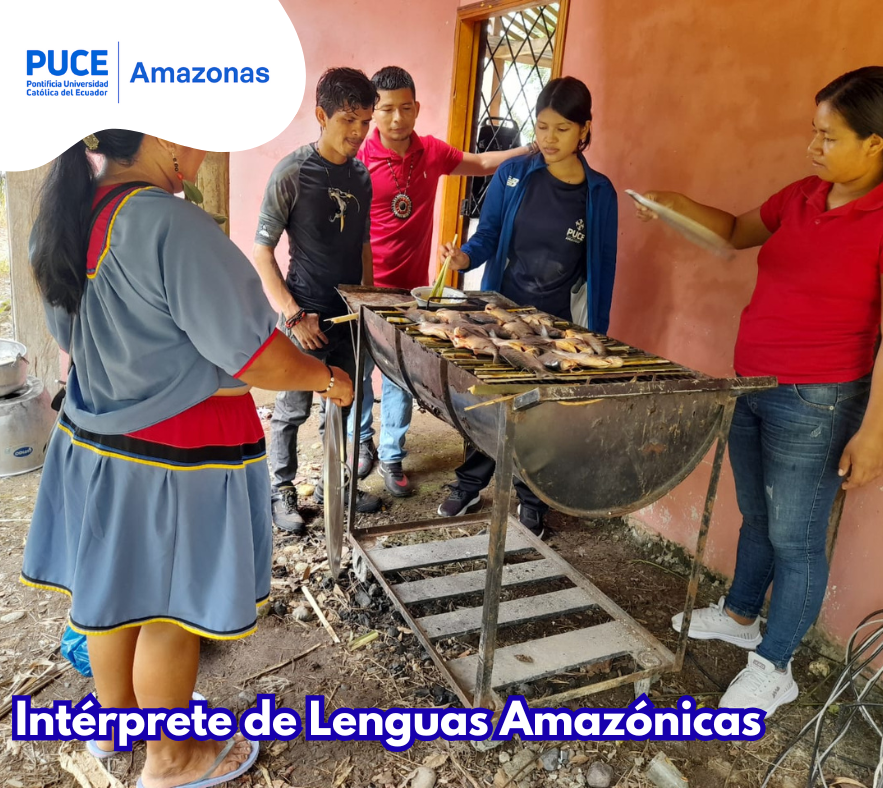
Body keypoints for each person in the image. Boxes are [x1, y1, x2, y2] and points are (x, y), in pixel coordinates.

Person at [21, 130, 352, 788]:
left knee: (113, 591)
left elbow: (71, 337)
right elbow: (255, 355)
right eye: (199, 142)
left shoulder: (67, 217)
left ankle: (115, 724)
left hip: (96, 442)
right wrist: (325, 378)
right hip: (175, 461)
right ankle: (170, 759)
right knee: (171, 610)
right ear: (164, 137)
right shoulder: (171, 225)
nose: (201, 156)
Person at [637, 66, 883, 717]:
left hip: (818, 402)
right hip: (751, 384)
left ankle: (775, 668)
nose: (813, 146)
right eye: (814, 131)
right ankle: (741, 616)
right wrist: (673, 202)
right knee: (758, 514)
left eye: (828, 137)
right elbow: (735, 231)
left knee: (796, 539)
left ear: (875, 144)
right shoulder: (804, 195)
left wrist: (874, 433)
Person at [436, 76, 619, 538]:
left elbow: (603, 266)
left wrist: (595, 332)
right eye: (542, 127)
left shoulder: (598, 193)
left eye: (562, 129)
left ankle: (532, 498)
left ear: (585, 129)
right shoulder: (514, 175)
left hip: (557, 324)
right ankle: (470, 484)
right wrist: (464, 258)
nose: (549, 139)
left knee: (541, 414)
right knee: (486, 400)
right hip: (502, 313)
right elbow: (487, 235)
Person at [352, 66, 535, 497]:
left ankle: (392, 455)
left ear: (417, 107)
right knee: (359, 369)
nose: (397, 118)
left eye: (405, 108)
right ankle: (360, 442)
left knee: (399, 375)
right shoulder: (358, 157)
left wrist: (532, 147)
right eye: (386, 109)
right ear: (374, 111)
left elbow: (482, 163)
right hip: (364, 285)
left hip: (410, 292)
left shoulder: (431, 152)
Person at [254, 67, 382, 534]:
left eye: (365, 122)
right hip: (304, 315)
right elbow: (262, 253)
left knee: (343, 403)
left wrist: (368, 304)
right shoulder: (292, 172)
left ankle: (336, 485)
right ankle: (281, 490)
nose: (359, 132)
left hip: (349, 318)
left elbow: (364, 247)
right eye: (349, 120)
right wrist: (293, 315)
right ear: (322, 116)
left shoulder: (361, 176)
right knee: (292, 410)